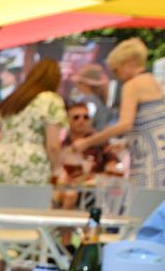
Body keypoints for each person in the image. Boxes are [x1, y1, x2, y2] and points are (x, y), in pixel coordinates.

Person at [71, 38, 165, 188]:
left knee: (143, 205)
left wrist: (87, 142)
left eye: (116, 70)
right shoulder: (153, 82)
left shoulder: (132, 85)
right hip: (160, 154)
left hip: (148, 159)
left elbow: (124, 124)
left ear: (130, 64)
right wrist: (126, 142)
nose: (116, 76)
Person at [0, 59, 66, 186]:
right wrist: (58, 170)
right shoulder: (51, 99)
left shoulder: (15, 98)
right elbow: (53, 146)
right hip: (32, 164)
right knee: (30, 205)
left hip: (0, 160)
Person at [56, 101, 118, 209]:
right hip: (65, 189)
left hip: (94, 193)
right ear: (68, 120)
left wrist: (108, 171)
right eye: (76, 117)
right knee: (69, 194)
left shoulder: (100, 143)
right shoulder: (60, 144)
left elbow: (112, 163)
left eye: (86, 117)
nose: (81, 121)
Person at [73, 64, 112, 131]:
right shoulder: (96, 100)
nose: (76, 85)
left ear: (84, 84)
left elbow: (85, 124)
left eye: (79, 82)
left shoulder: (88, 102)